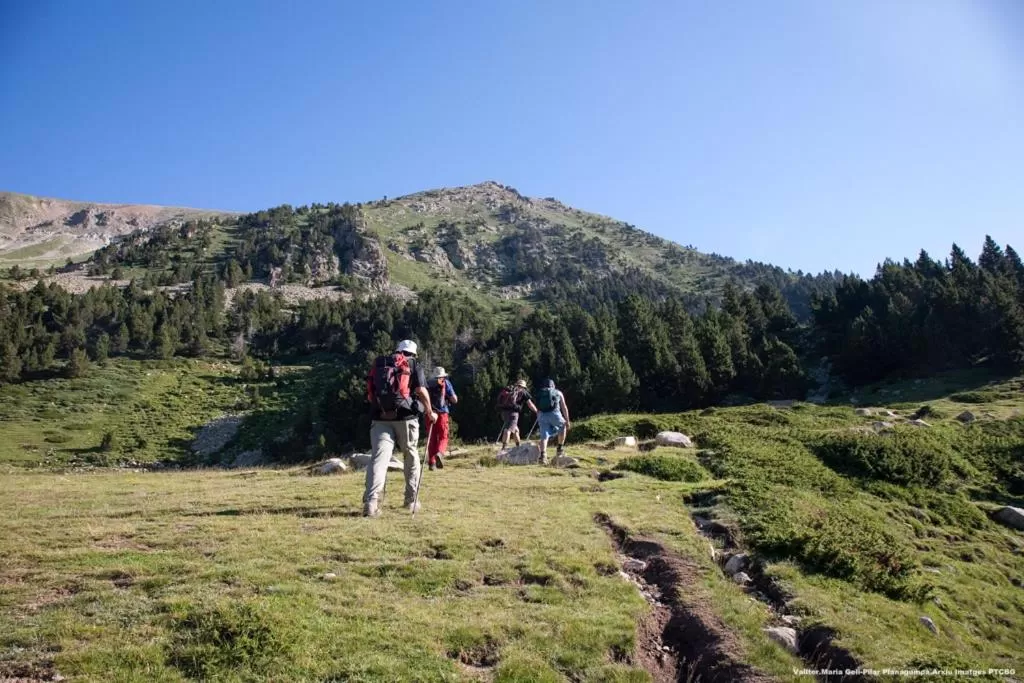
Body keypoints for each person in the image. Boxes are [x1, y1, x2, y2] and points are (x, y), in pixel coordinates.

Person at [363, 339, 436, 517]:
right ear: (413, 353)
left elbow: (370, 393)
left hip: (380, 417)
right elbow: (421, 390)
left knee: (378, 460)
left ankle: (371, 503)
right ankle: (411, 501)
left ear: (398, 349)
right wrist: (429, 411)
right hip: (406, 418)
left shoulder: (381, 364)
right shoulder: (412, 364)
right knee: (410, 455)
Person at [427, 366, 458, 471]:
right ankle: (440, 453)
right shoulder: (445, 383)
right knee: (443, 437)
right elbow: (455, 399)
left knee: (432, 439)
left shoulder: (427, 383)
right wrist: (449, 397)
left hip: (429, 413)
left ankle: (432, 464)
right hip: (442, 413)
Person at [535, 379, 570, 465]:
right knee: (563, 427)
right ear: (553, 385)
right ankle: (559, 449)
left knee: (544, 435)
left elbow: (538, 407)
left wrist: (539, 418)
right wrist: (567, 420)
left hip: (542, 415)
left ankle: (543, 456)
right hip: (555, 414)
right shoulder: (558, 392)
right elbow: (564, 407)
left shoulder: (541, 393)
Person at [497, 379, 537, 450]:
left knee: (516, 430)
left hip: (504, 413)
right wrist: (537, 411)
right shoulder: (523, 392)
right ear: (524, 387)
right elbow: (530, 404)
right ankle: (504, 448)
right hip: (513, 414)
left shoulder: (509, 389)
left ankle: (518, 446)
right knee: (508, 430)